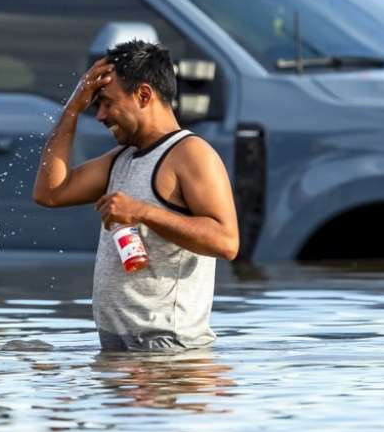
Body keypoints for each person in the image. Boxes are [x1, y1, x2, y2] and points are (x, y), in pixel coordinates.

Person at [33, 40, 239, 352]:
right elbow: (50, 193)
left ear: (143, 95)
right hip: (122, 351)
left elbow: (226, 242)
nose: (99, 115)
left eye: (106, 102)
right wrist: (73, 107)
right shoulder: (122, 159)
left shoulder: (191, 154)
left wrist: (142, 212)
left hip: (167, 351)